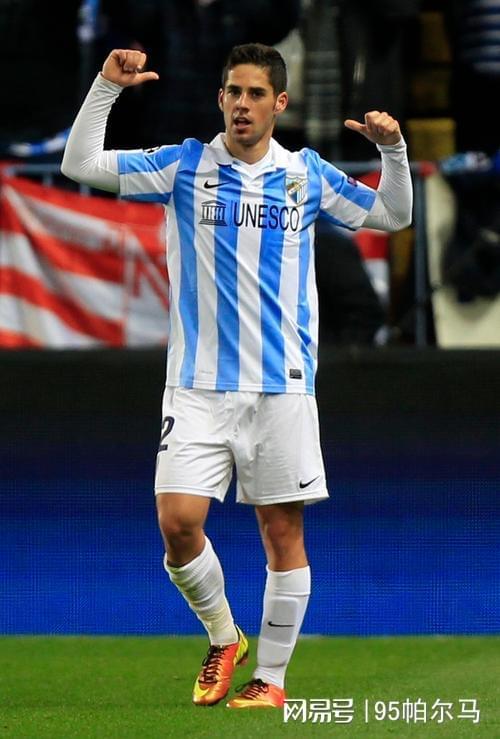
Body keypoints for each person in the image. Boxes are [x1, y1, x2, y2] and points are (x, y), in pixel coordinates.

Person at [61, 43, 412, 709]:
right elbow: (79, 165)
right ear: (219, 98)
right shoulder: (183, 165)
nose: (242, 104)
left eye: (255, 94)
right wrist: (106, 87)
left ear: (279, 103)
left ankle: (270, 681)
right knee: (177, 523)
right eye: (232, 92)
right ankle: (225, 636)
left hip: (282, 386)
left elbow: (393, 216)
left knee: (282, 534)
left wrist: (393, 151)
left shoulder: (306, 174)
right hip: (196, 384)